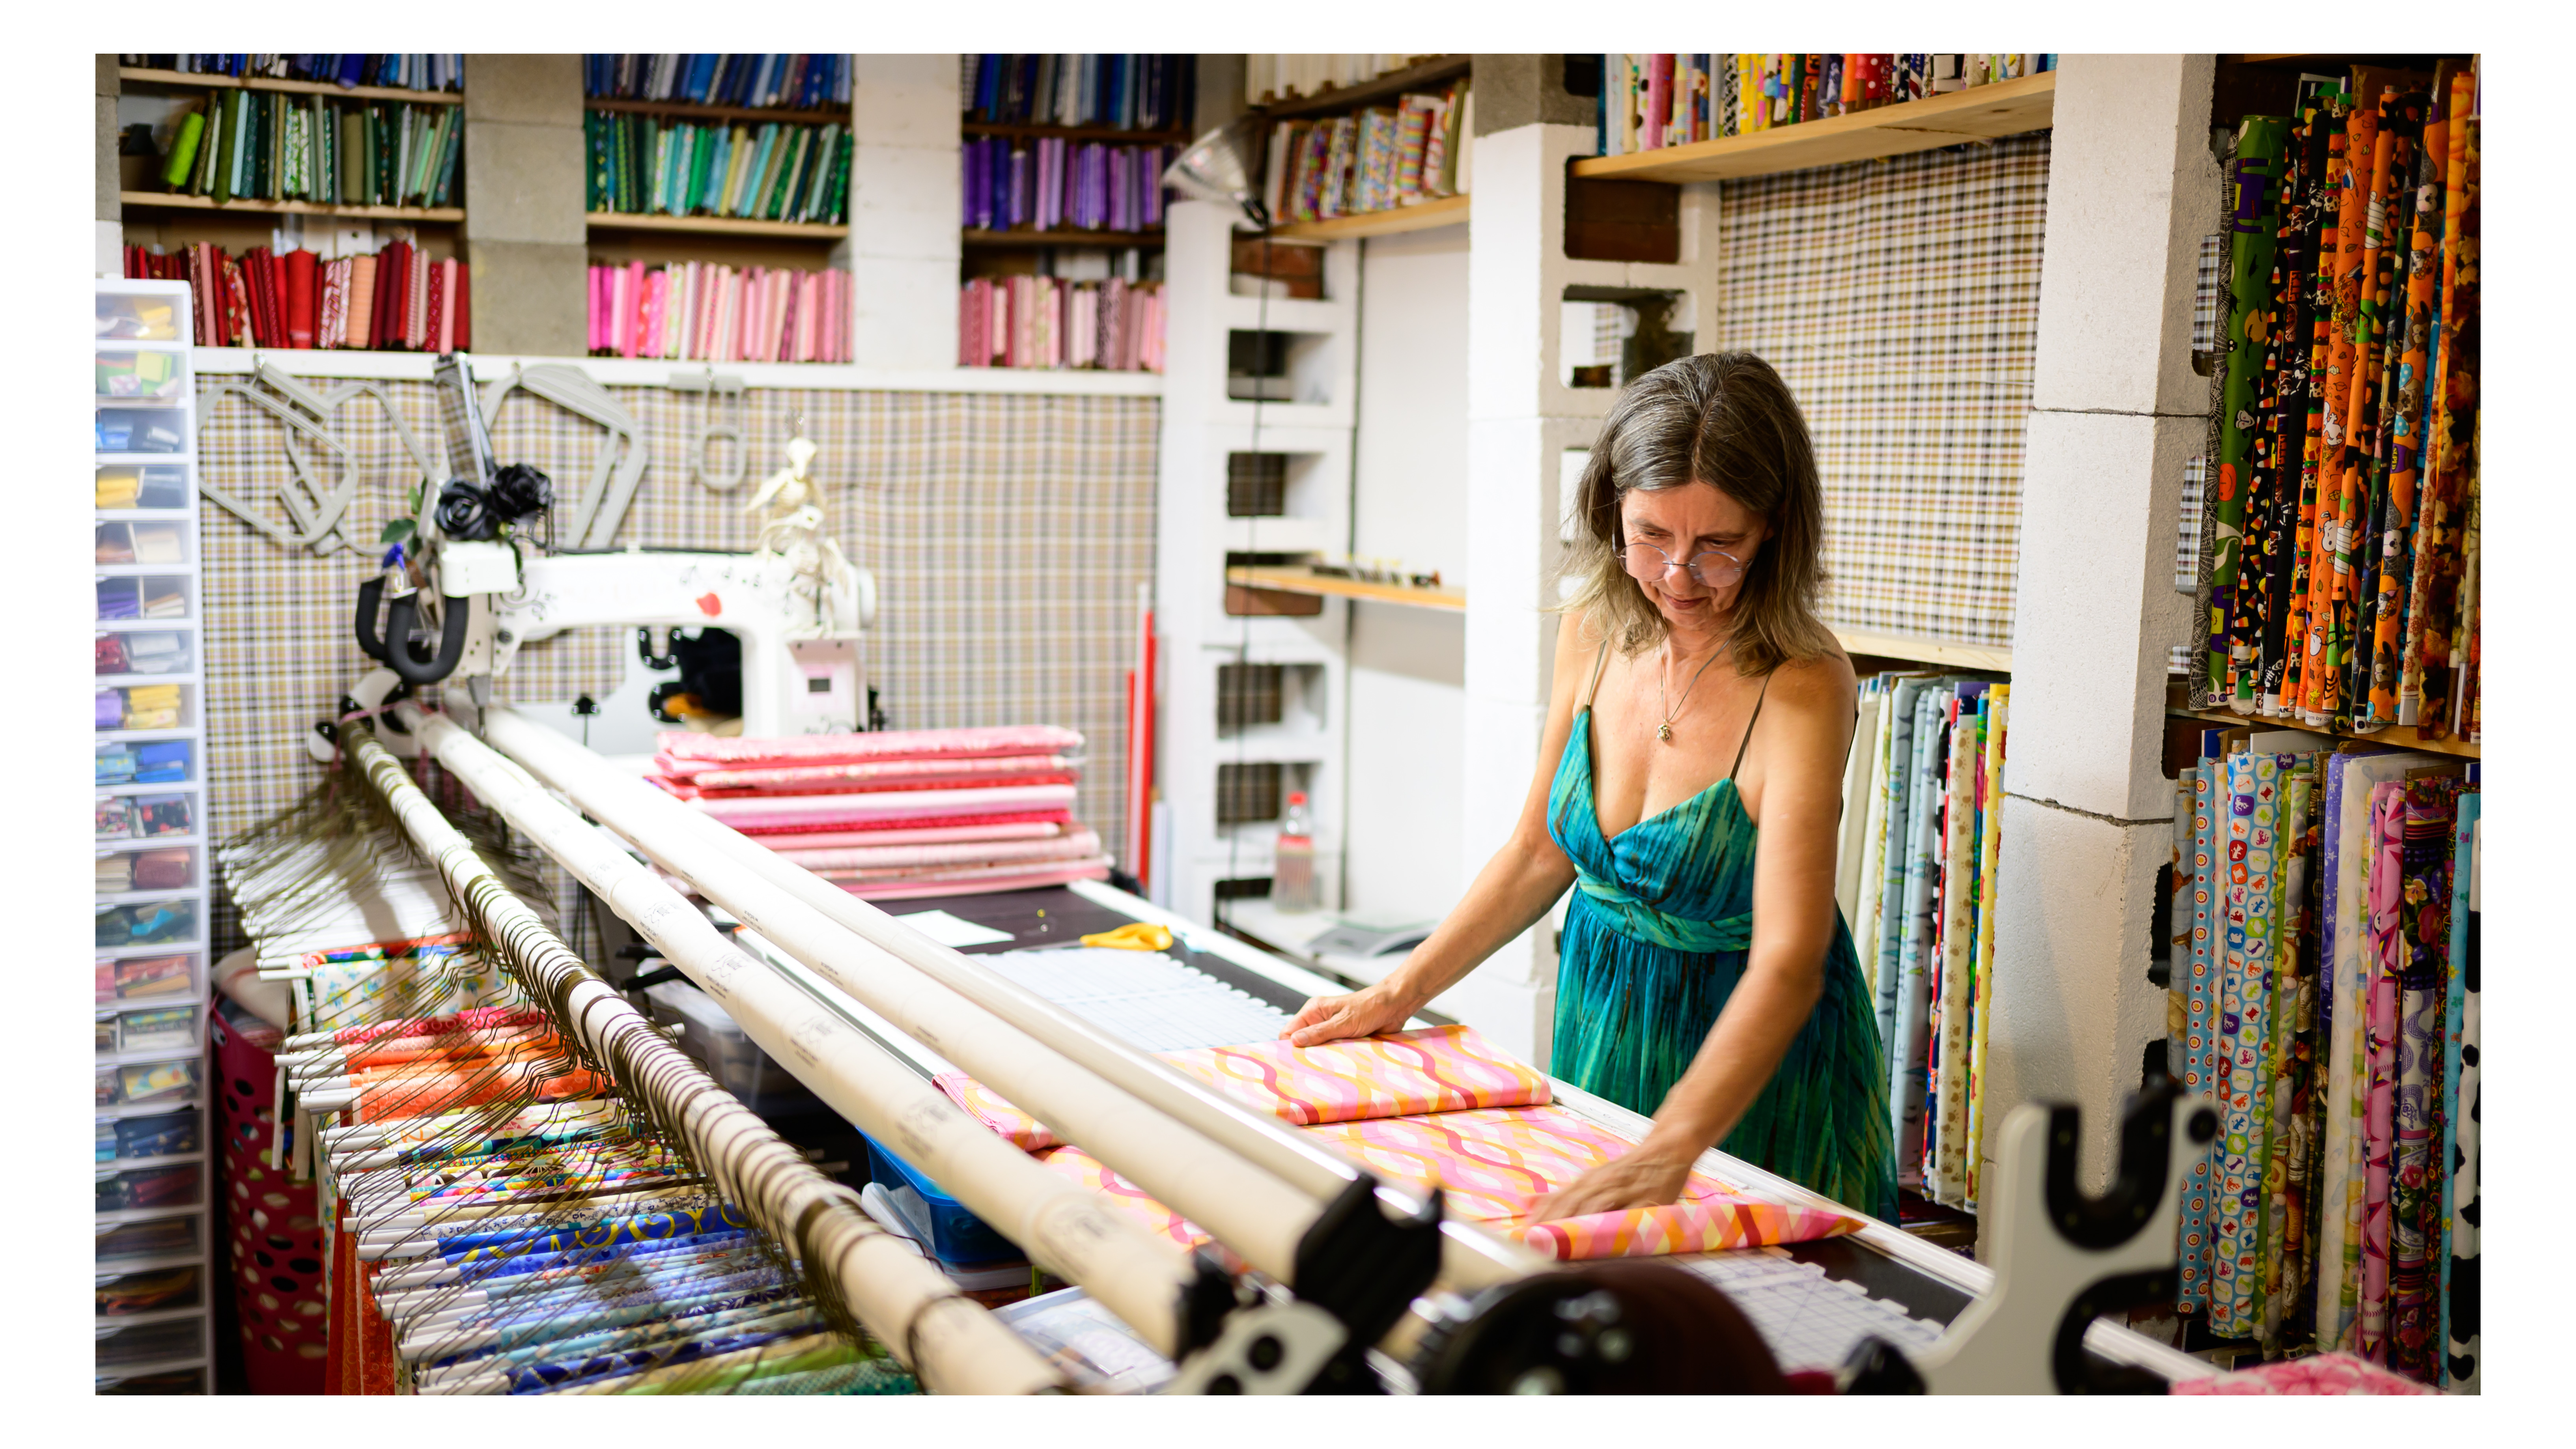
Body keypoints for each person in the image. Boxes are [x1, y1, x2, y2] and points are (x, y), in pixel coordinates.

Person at [1282, 352, 1897, 1223]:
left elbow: (1789, 961)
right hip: (1604, 1021)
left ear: (1774, 529)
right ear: (1610, 506)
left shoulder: (1802, 682)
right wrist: (1395, 994)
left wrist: (1673, 1145)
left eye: (1717, 544)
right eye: (1649, 534)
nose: (1678, 577)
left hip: (1752, 1065)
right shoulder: (1596, 628)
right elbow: (1539, 850)